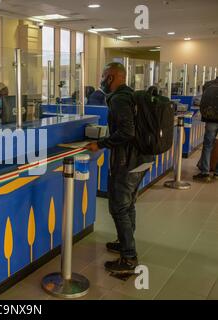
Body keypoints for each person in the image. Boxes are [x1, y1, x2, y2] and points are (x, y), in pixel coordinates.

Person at [85, 62, 153, 274]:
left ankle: (129, 257)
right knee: (128, 204)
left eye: (104, 76)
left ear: (113, 77)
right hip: (143, 158)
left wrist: (101, 143)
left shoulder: (118, 99)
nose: (102, 81)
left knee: (118, 208)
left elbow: (127, 131)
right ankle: (125, 243)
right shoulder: (131, 95)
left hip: (128, 162)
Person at [193, 76, 218, 182]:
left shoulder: (207, 85)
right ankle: (217, 173)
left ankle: (205, 173)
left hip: (211, 119)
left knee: (208, 146)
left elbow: (201, 100)